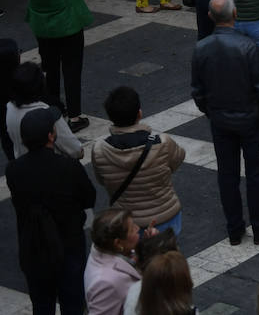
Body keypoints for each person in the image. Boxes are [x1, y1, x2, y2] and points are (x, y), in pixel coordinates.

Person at [191, 0, 259, 246]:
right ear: (235, 14)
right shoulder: (248, 47)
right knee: (256, 175)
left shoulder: (201, 48)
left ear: (210, 16)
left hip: (220, 122)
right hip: (252, 122)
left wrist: (211, 112)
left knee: (227, 175)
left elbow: (197, 91)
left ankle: (235, 229)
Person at [6, 106, 97, 315]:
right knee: (72, 303)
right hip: (68, 246)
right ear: (50, 135)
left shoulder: (14, 170)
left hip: (33, 246)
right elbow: (88, 197)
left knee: (42, 304)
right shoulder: (68, 167)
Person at [17, 0, 95, 131]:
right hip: (68, 27)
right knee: (71, 70)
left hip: (42, 28)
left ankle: (54, 108)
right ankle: (76, 117)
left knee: (50, 69)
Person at [90, 86, 185, 235]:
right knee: (165, 256)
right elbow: (178, 159)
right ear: (139, 113)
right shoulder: (163, 143)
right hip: (165, 216)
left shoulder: (99, 150)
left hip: (127, 223)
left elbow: (102, 180)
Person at [83, 208, 142, 315]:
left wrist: (148, 248)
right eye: (132, 229)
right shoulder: (105, 283)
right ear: (118, 243)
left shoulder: (103, 247)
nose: (138, 228)